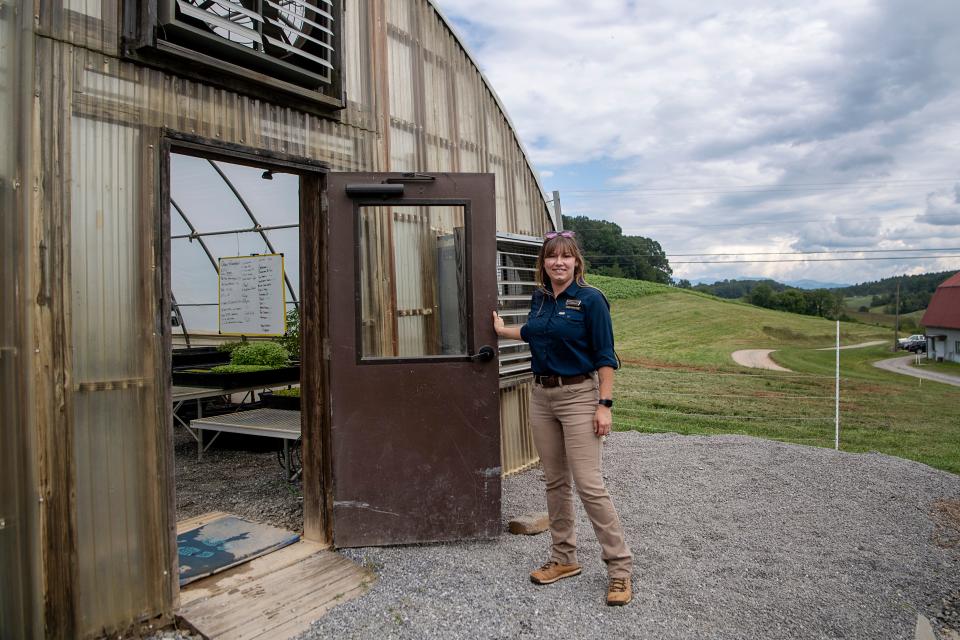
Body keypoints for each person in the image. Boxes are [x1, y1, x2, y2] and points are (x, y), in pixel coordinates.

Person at [493, 230, 633, 606]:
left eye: (565, 257)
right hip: (541, 396)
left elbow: (606, 356)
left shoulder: (590, 300)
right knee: (555, 482)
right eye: (551, 257)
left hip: (579, 397)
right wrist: (502, 331)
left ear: (576, 262)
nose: (558, 263)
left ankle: (619, 570)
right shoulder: (539, 299)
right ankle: (563, 558)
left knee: (589, 485)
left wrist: (604, 404)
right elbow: (537, 333)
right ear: (543, 263)